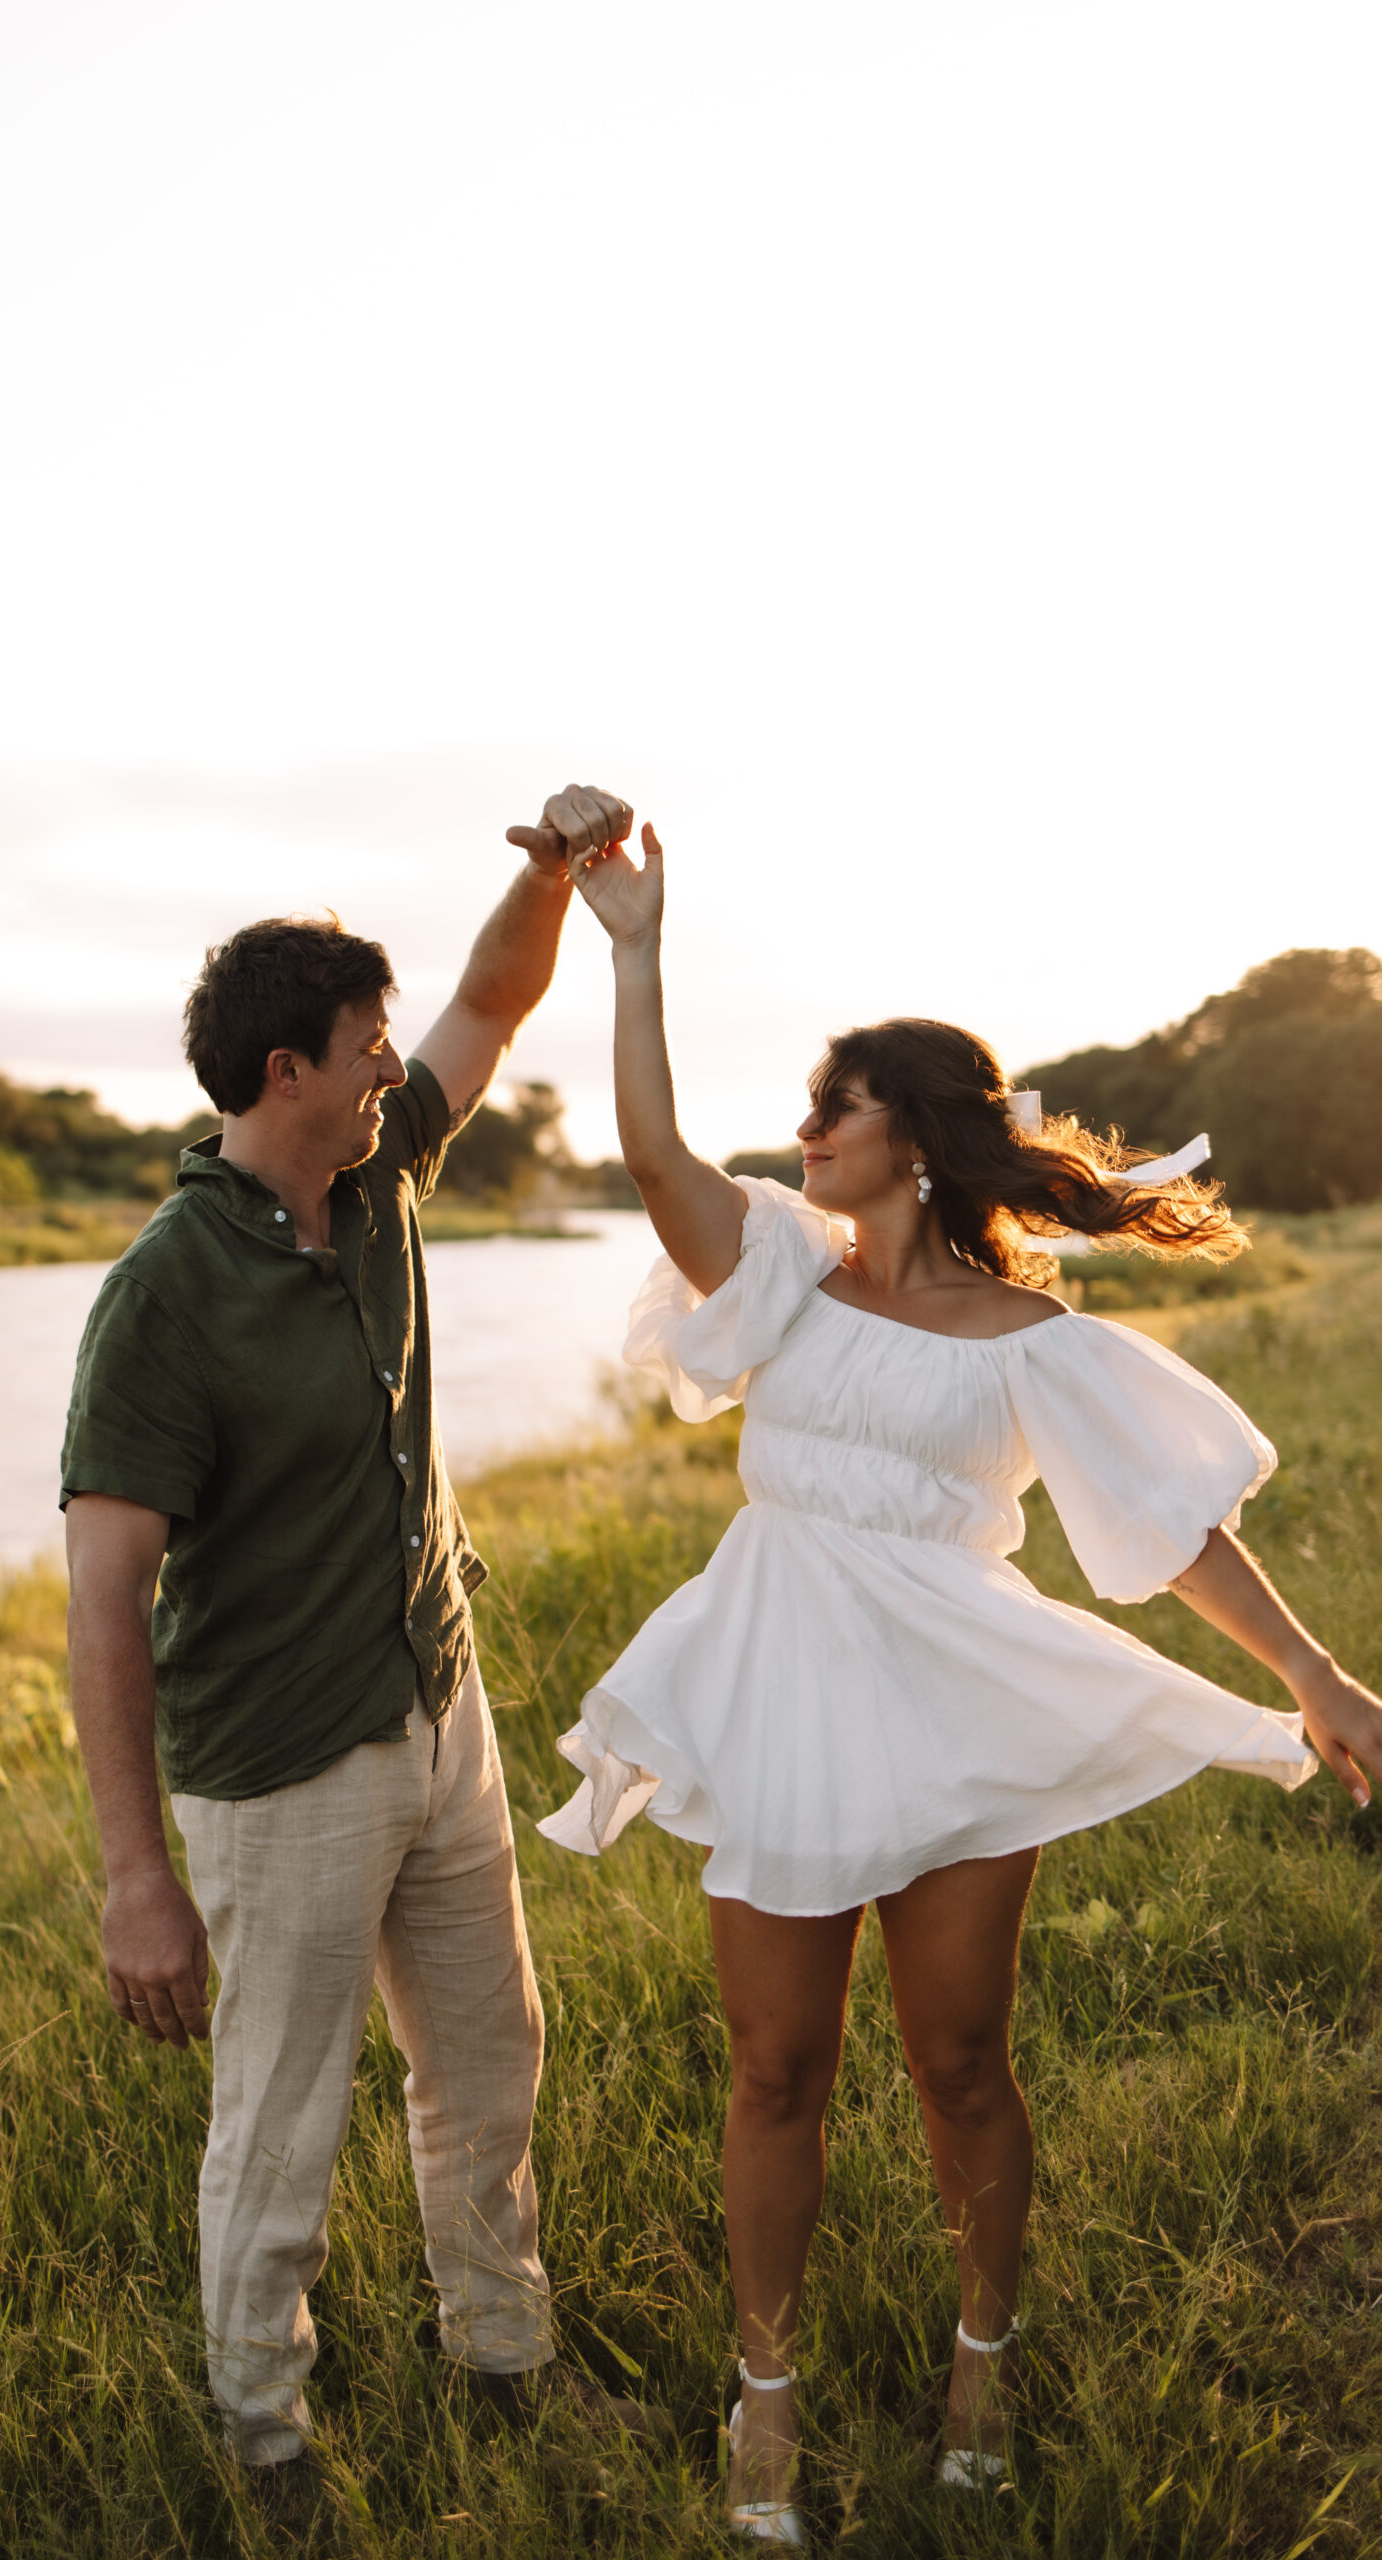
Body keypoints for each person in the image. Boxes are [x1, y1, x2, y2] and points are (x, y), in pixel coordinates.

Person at [539, 819, 1382, 2546]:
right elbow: (647, 1153)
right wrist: (630, 948)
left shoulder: (1037, 1344)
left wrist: (1317, 1672)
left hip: (955, 1713)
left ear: (911, 1141)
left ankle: (980, 2365)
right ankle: (761, 2405)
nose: (805, 1131)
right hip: (781, 1691)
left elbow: (1169, 1530)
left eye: (832, 1107)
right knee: (774, 2071)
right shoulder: (776, 1267)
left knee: (963, 2063)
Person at [60, 786, 641, 2475]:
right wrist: (133, 1874)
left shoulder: (379, 1180)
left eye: (389, 1039)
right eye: (365, 1044)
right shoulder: (163, 1295)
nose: (396, 1063)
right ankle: (262, 2434)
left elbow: (496, 1000)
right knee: (282, 2120)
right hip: (282, 1773)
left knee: (490, 2061)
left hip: (436, 1718)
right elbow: (106, 1605)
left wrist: (548, 874)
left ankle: (508, 2359)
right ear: (281, 1076)